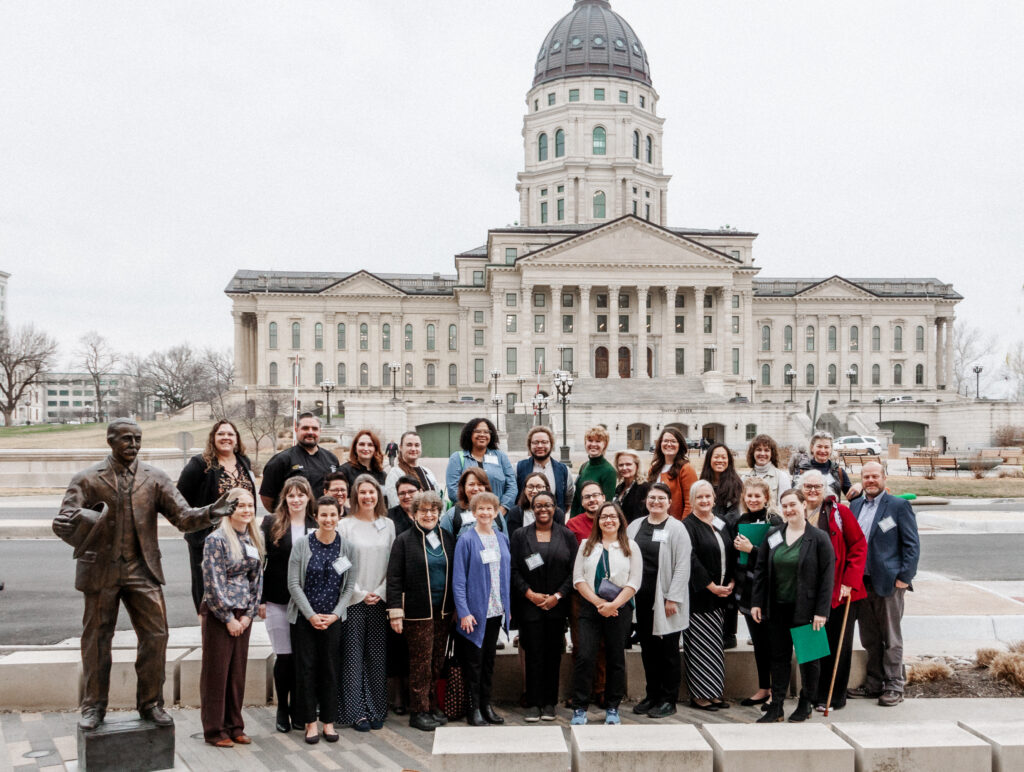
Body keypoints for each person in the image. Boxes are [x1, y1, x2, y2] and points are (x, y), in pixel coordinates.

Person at [53, 419, 235, 731]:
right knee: (97, 640)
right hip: (100, 570)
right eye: (126, 439)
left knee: (156, 636)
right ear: (111, 441)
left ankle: (151, 704)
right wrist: (81, 520)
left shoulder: (155, 478)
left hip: (142, 570)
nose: (133, 444)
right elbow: (63, 521)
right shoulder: (86, 479)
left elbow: (181, 516)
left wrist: (209, 512)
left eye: (137, 439)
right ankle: (94, 706)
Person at [752, 488, 835, 723]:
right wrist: (757, 602)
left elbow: (827, 577)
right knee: (778, 658)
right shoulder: (774, 535)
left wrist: (822, 611)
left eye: (793, 505)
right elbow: (761, 571)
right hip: (777, 608)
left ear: (804, 505)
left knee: (809, 659)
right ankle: (776, 705)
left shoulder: (818, 538)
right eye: (785, 506)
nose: (789, 510)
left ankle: (806, 702)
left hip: (807, 610)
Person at [848, 461, 919, 707]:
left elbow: (911, 545)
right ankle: (874, 683)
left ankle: (894, 685)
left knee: (891, 637)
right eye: (866, 476)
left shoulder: (898, 506)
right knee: (869, 636)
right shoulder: (855, 505)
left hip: (889, 582)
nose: (870, 480)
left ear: (884, 478)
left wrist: (905, 577)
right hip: (861, 583)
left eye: (875, 476)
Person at [288, 495, 357, 743]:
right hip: (305, 620)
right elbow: (294, 584)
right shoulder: (302, 545)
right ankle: (310, 723)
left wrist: (335, 614)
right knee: (306, 670)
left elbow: (349, 587)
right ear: (315, 517)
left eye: (333, 514)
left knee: (330, 669)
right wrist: (311, 615)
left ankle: (328, 722)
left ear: (339, 516)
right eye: (323, 515)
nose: (328, 519)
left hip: (333, 619)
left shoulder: (347, 547)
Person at [199, 488, 264, 747]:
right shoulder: (216, 540)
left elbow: (257, 580)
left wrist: (248, 616)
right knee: (217, 673)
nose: (247, 510)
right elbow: (212, 581)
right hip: (220, 614)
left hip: (243, 614)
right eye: (240, 506)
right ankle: (215, 730)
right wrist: (227, 617)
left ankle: (235, 725)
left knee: (237, 673)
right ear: (229, 509)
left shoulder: (252, 540)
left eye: (250, 506)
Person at [387, 491, 456, 731]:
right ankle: (418, 710)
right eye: (423, 510)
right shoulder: (404, 540)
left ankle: (431, 704)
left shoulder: (446, 537)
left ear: (439, 512)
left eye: (433, 510)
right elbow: (394, 577)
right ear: (415, 513)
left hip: (443, 610)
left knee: (437, 660)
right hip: (417, 612)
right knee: (421, 662)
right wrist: (395, 611)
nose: (429, 514)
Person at [799, 469, 866, 712]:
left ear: (826, 489)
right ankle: (809, 692)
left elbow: (858, 546)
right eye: (808, 486)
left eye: (817, 486)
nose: (812, 491)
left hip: (838, 591)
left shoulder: (840, 513)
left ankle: (832, 695)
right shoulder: (795, 512)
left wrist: (849, 582)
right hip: (805, 593)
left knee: (836, 643)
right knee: (809, 644)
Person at [570, 502, 641, 726]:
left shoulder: (631, 546)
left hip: (620, 609)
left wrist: (614, 605)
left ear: (620, 520)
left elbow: (634, 581)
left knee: (615, 658)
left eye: (613, 516)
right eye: (604, 517)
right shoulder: (586, 546)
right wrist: (599, 602)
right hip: (591, 607)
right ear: (598, 522)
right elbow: (578, 579)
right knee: (585, 656)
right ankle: (580, 708)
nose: (608, 520)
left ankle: (612, 707)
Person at [510, 490, 577, 722]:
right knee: (533, 654)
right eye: (538, 505)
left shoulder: (567, 536)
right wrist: (529, 594)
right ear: (532, 508)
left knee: (552, 655)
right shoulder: (520, 535)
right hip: (530, 606)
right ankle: (533, 702)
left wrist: (557, 596)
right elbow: (514, 570)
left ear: (555, 507)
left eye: (547, 505)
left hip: (557, 606)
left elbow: (573, 572)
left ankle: (549, 703)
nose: (543, 509)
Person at [178, 419, 257, 615]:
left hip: (239, 536)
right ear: (213, 438)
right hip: (208, 538)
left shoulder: (243, 462)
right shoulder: (200, 464)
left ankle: (235, 622)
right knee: (208, 588)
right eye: (221, 434)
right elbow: (178, 500)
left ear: (237, 439)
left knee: (236, 583)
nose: (226, 438)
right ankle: (207, 630)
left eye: (230, 434)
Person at [626, 483, 691, 718]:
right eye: (652, 498)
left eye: (661, 498)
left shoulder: (677, 528)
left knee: (669, 651)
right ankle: (652, 694)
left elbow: (683, 566)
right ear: (646, 500)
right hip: (641, 599)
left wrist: (673, 597)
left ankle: (668, 699)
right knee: (648, 650)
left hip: (666, 601)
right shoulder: (635, 526)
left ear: (669, 502)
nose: (656, 502)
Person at [337, 474, 396, 731]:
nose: (367, 497)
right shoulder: (344, 525)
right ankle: (355, 711)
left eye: (372, 492)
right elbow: (340, 562)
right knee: (352, 657)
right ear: (355, 496)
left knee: (376, 656)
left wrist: (380, 591)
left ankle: (376, 708)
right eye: (362, 492)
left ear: (378, 495)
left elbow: (393, 564)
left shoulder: (388, 524)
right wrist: (360, 592)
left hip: (379, 599)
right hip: (353, 599)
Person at [260, 476, 317, 733]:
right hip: (278, 600)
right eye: (291, 495)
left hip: (308, 604)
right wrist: (260, 599)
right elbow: (260, 564)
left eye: (300, 495)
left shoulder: (315, 524)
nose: (296, 500)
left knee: (303, 659)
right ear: (285, 498)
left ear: (308, 497)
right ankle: (282, 707)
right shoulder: (271, 524)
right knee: (285, 657)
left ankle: (299, 709)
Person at [452, 491, 512, 726]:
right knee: (473, 663)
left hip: (495, 610)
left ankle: (486, 705)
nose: (486, 513)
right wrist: (464, 611)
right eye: (481, 509)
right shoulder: (466, 540)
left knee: (488, 662)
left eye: (490, 509)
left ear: (496, 512)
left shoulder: (501, 538)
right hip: (474, 613)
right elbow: (458, 580)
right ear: (473, 512)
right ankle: (473, 708)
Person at [681, 480, 735, 711]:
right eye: (699, 497)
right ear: (692, 500)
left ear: (714, 498)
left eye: (708, 496)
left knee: (715, 646)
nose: (704, 501)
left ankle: (714, 692)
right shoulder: (688, 525)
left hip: (723, 594)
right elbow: (690, 559)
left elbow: (731, 550)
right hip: (700, 596)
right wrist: (710, 586)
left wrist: (732, 580)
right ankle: (700, 695)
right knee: (700, 645)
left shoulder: (721, 523)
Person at [731, 477, 782, 707]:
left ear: (766, 498)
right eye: (749, 496)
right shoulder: (740, 520)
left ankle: (776, 692)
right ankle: (763, 688)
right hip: (748, 590)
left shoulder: (775, 521)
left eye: (757, 496)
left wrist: (751, 550)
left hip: (769, 591)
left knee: (773, 643)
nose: (753, 500)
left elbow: (778, 555)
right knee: (759, 643)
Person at [564, 479, 609, 705]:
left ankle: (600, 689)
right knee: (580, 644)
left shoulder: (613, 520)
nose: (592, 500)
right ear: (582, 502)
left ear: (603, 497)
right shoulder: (573, 525)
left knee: (602, 643)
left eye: (596, 495)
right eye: (587, 497)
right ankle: (580, 690)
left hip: (608, 593)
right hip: (580, 593)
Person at [699, 443, 743, 648]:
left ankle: (729, 632)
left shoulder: (735, 482)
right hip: (706, 540)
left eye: (724, 457)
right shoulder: (703, 482)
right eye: (716, 457)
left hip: (729, 539)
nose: (720, 460)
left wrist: (715, 523)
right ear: (709, 459)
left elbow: (734, 514)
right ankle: (710, 628)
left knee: (729, 583)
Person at [259, 412, 340, 513]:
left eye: (314, 429)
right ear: (296, 430)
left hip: (323, 520)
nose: (310, 432)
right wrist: (283, 517)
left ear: (320, 431)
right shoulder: (281, 460)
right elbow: (267, 497)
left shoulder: (331, 459)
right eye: (305, 428)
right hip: (291, 522)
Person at [445, 418, 517, 514]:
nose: (482, 435)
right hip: (467, 516)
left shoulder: (501, 456)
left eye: (486, 432)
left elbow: (512, 486)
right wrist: (475, 511)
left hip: (498, 515)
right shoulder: (457, 458)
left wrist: (502, 508)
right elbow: (453, 489)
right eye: (477, 431)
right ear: (469, 434)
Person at [515, 426, 573, 512]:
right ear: (529, 445)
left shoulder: (563, 470)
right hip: (525, 521)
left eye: (544, 442)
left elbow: (568, 499)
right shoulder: (518, 468)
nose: (540, 446)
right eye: (535, 442)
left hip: (554, 522)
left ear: (551, 444)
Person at [645, 427, 698, 519]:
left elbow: (691, 504)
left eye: (673, 441)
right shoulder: (654, 469)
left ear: (679, 445)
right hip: (655, 522)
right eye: (665, 441)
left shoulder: (686, 469)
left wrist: (682, 527)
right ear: (660, 444)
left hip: (677, 525)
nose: (669, 444)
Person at [440, 467, 506, 539]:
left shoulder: (496, 513)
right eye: (471, 484)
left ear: (485, 487)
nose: (476, 488)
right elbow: (445, 545)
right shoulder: (452, 515)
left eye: (480, 484)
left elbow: (505, 543)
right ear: (463, 487)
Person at [383, 431, 441, 508]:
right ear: (400, 447)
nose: (413, 449)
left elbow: (439, 499)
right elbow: (395, 504)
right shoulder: (395, 474)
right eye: (409, 445)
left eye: (417, 445)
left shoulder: (427, 472)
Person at [569, 426, 617, 515]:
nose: (593, 444)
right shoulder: (584, 466)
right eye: (590, 441)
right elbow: (576, 499)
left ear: (605, 444)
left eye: (598, 441)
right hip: (578, 521)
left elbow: (606, 505)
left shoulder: (609, 471)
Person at [792, 431, 852, 500]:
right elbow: (793, 497)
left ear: (831, 449)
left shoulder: (838, 471)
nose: (823, 450)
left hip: (833, 510)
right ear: (812, 448)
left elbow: (853, 496)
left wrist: (858, 488)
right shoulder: (801, 471)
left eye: (826, 447)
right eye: (819, 446)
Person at [741, 434, 791, 515]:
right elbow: (741, 508)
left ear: (772, 453)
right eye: (758, 449)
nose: (762, 453)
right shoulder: (744, 478)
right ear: (752, 453)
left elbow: (784, 506)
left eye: (766, 450)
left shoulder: (782, 477)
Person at [613, 450, 650, 524]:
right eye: (621, 465)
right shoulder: (619, 488)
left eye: (628, 464)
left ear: (637, 466)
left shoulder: (645, 488)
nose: (624, 468)